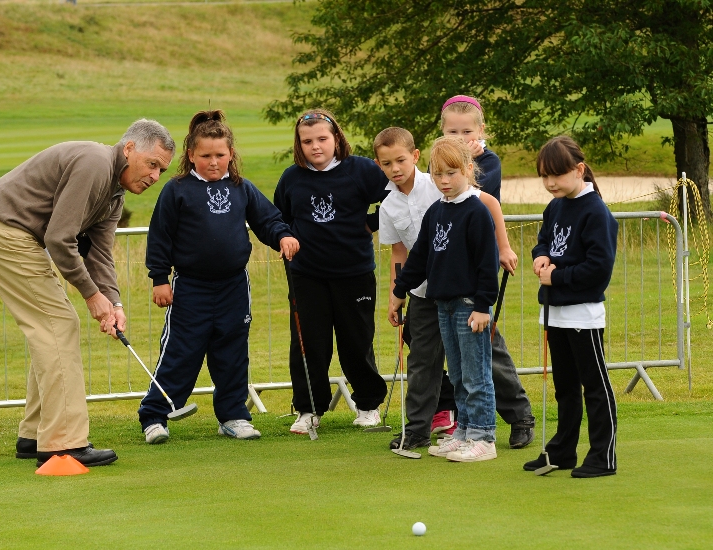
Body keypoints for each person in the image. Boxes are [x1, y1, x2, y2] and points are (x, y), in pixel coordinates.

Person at [0, 119, 176, 467]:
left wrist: (114, 304)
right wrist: (92, 296)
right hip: (1, 231)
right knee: (59, 325)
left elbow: (99, 254)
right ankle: (62, 443)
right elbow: (59, 239)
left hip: (3, 232)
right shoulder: (94, 163)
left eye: (161, 170)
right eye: (152, 164)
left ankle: (35, 435)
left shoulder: (114, 195)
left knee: (53, 328)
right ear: (129, 149)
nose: (155, 176)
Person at [138, 110, 299, 443]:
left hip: (233, 288)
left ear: (231, 155)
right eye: (206, 155)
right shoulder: (177, 190)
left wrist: (282, 235)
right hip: (190, 288)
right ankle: (155, 416)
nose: (213, 162)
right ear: (191, 156)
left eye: (220, 155)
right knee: (180, 351)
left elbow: (267, 220)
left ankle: (233, 415)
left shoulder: (242, 187)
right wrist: (159, 279)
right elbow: (160, 237)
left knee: (232, 353)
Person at [376, 127, 519, 451]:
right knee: (457, 374)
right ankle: (464, 433)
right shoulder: (438, 210)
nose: (443, 180)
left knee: (476, 373)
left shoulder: (476, 211)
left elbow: (486, 265)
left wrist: (483, 306)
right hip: (442, 304)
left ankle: (483, 437)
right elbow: (419, 258)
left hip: (470, 303)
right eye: (438, 173)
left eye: (451, 173)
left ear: (468, 170)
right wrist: (398, 293)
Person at [274, 109, 389, 434]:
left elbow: (395, 199)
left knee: (356, 341)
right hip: (306, 276)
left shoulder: (363, 170)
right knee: (309, 343)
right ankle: (309, 410)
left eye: (322, 138)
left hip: (355, 274)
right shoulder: (291, 177)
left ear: (336, 138)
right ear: (299, 144)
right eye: (307, 141)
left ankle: (368, 405)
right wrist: (285, 237)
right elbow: (278, 218)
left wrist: (370, 224)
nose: (316, 146)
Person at [438, 95, 536, 448]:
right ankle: (460, 424)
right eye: (453, 131)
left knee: (486, 344)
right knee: (454, 353)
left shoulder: (487, 162)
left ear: (481, 131)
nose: (461, 137)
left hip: (475, 267)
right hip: (444, 268)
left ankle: (519, 414)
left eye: (467, 131)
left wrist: (506, 246)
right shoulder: (441, 162)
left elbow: (482, 196)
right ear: (442, 131)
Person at [525, 136, 618, 478]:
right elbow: (544, 241)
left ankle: (602, 457)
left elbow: (599, 269)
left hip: (583, 313)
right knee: (565, 386)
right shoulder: (556, 205)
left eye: (557, 175)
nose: (550, 183)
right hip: (554, 311)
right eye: (544, 177)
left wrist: (557, 278)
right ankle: (562, 451)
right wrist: (541, 257)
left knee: (595, 386)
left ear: (579, 170)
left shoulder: (597, 212)